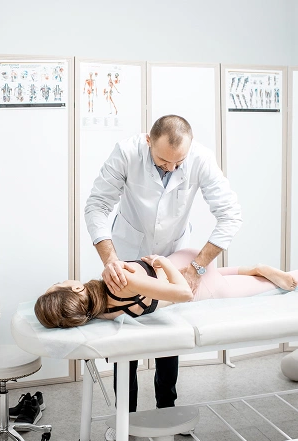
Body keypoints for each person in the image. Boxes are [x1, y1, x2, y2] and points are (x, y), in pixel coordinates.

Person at [83, 115, 242, 431]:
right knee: (125, 336)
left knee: (169, 332)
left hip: (171, 253)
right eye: (162, 161)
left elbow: (231, 216)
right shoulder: (126, 152)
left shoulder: (200, 159)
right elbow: (96, 206)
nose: (170, 168)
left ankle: (167, 408)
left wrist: (197, 267)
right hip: (127, 253)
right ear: (148, 141)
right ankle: (124, 418)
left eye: (177, 162)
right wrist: (110, 259)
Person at [35, 249, 298, 412]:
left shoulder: (117, 286)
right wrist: (162, 263)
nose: (63, 280)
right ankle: (256, 269)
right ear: (78, 292)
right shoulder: (98, 306)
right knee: (226, 282)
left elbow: (184, 291)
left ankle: (263, 270)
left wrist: (162, 262)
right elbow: (182, 293)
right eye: (59, 284)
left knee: (273, 286)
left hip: (185, 267)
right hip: (180, 271)